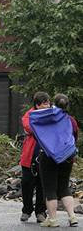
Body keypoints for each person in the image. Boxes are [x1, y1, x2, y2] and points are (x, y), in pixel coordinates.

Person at [33, 94, 79, 227]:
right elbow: (74, 137)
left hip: (49, 157)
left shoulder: (46, 118)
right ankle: (72, 217)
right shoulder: (71, 120)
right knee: (64, 187)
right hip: (67, 156)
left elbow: (38, 136)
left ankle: (53, 220)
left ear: (54, 104)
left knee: (50, 188)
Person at [19, 91, 49, 223]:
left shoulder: (51, 114)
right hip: (29, 156)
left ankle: (41, 212)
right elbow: (29, 127)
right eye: (45, 103)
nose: (48, 105)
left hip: (45, 156)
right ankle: (27, 210)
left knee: (42, 185)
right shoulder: (29, 114)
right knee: (26, 183)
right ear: (37, 105)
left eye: (48, 103)